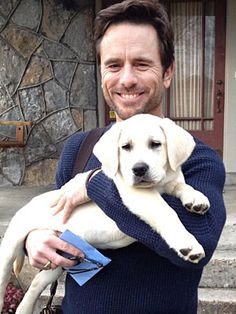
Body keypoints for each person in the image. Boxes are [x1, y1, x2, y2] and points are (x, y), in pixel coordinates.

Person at [25, 1, 226, 313]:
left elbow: (200, 242)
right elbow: (57, 219)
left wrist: (95, 184)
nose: (127, 79)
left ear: (168, 72)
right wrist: (34, 241)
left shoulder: (197, 159)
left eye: (142, 64)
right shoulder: (81, 147)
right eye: (114, 65)